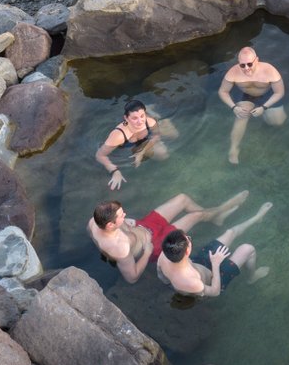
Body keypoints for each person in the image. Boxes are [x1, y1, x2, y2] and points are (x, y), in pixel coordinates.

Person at [87, 190, 249, 283]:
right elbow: (132, 277)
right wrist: (148, 252)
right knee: (196, 216)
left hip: (143, 226)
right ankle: (220, 211)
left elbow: (98, 237)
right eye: (121, 215)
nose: (125, 214)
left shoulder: (94, 223)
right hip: (155, 244)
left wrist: (128, 223)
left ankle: (214, 217)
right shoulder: (121, 249)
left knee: (182, 199)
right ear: (110, 225)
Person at [157, 201, 273, 296]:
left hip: (198, 263)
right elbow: (215, 291)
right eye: (188, 240)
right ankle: (252, 277)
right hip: (215, 278)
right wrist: (216, 264)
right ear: (187, 251)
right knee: (248, 248)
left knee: (230, 232)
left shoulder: (164, 256)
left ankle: (257, 218)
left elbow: (161, 275)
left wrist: (169, 283)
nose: (188, 238)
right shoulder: (192, 282)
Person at [218, 46, 286, 164]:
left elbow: (279, 92)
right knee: (241, 115)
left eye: (249, 64)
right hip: (245, 95)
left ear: (257, 60)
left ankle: (265, 115)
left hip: (266, 95)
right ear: (238, 63)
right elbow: (223, 91)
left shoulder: (269, 70)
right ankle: (234, 148)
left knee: (278, 122)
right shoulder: (233, 72)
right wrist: (234, 107)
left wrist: (264, 107)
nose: (246, 68)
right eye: (242, 65)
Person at [95, 99, 170, 190]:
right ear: (126, 118)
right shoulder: (118, 136)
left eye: (142, 116)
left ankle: (151, 111)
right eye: (134, 118)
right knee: (162, 153)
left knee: (175, 135)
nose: (140, 121)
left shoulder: (149, 122)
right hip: (130, 143)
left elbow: (156, 135)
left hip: (143, 141)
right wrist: (115, 171)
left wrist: (142, 151)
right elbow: (100, 155)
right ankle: (152, 111)